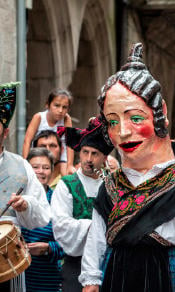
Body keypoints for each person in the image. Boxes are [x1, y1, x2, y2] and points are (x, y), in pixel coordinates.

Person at [79, 43, 175, 292]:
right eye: (113, 122)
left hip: (164, 274)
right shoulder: (112, 184)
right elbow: (96, 236)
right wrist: (91, 278)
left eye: (136, 118)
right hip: (118, 275)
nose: (123, 132)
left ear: (160, 114)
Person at [51, 118, 113, 292]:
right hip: (75, 265)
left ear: (105, 157)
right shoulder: (67, 184)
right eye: (85, 152)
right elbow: (61, 225)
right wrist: (96, 228)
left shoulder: (111, 185)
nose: (89, 159)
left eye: (95, 154)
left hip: (109, 264)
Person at [0, 82, 51, 292]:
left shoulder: (22, 166)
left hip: (7, 256)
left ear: (5, 132)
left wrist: (25, 205)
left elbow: (42, 216)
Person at [22, 147, 65, 292]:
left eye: (46, 167)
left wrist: (48, 248)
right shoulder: (15, 198)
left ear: (52, 171)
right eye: (35, 167)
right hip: (16, 278)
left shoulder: (58, 201)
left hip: (47, 280)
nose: (40, 171)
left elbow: (70, 243)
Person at [23, 89, 74, 175]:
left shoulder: (66, 119)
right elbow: (27, 141)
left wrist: (69, 165)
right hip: (39, 152)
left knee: (66, 175)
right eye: (57, 106)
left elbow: (70, 143)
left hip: (59, 154)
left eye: (64, 107)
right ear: (47, 105)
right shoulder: (39, 117)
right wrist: (25, 162)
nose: (60, 110)